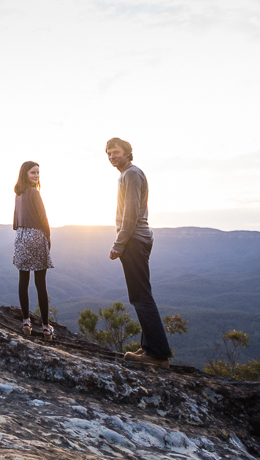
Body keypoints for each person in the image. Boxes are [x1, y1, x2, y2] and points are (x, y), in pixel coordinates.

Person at [106, 137, 171, 368]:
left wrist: (119, 243)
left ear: (127, 152)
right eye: (108, 153)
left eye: (116, 152)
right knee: (141, 294)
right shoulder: (127, 175)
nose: (112, 156)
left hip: (134, 240)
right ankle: (149, 346)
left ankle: (158, 355)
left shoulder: (131, 174)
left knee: (140, 296)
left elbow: (130, 214)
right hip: (137, 240)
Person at [13, 161, 54, 339]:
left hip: (21, 236)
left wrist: (23, 235)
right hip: (37, 236)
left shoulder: (18, 194)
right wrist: (48, 237)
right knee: (40, 283)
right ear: (25, 174)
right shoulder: (34, 193)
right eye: (33, 173)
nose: (36, 176)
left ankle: (26, 322)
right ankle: (45, 327)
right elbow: (43, 217)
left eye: (38, 173)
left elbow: (15, 221)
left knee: (23, 280)